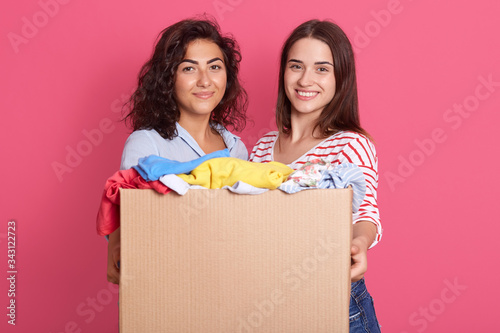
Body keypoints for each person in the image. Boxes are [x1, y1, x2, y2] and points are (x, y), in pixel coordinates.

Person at [249, 19, 382, 332]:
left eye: (322, 68)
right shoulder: (262, 146)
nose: (306, 79)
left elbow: (366, 214)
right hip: (272, 300)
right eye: (296, 66)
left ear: (340, 78)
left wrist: (359, 244)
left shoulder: (350, 144)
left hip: (334, 299)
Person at [106, 17, 248, 285]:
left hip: (226, 285)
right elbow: (134, 234)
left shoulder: (236, 149)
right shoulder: (146, 144)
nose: (205, 81)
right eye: (189, 69)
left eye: (214, 67)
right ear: (168, 78)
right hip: (166, 288)